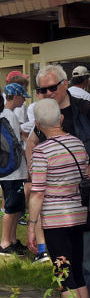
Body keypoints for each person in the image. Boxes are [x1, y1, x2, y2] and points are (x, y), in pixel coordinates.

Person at [31, 64, 90, 298]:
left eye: (52, 87)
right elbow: (32, 145)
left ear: (65, 84)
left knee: (89, 268)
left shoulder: (85, 110)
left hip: (86, 203)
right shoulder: (46, 118)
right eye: (42, 90)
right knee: (72, 273)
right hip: (63, 209)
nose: (48, 93)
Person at [26, 99, 89, 298]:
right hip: (79, 215)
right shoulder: (77, 143)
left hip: (55, 219)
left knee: (64, 277)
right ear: (61, 119)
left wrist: (31, 227)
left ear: (37, 124)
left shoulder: (42, 151)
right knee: (78, 274)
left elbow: (38, 192)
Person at [0, 84, 29, 256]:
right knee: (12, 207)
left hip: (8, 171)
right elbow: (16, 144)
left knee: (17, 206)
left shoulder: (5, 114)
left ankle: (12, 240)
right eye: (23, 96)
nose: (24, 99)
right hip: (13, 171)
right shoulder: (9, 115)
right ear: (16, 97)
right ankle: (4, 242)